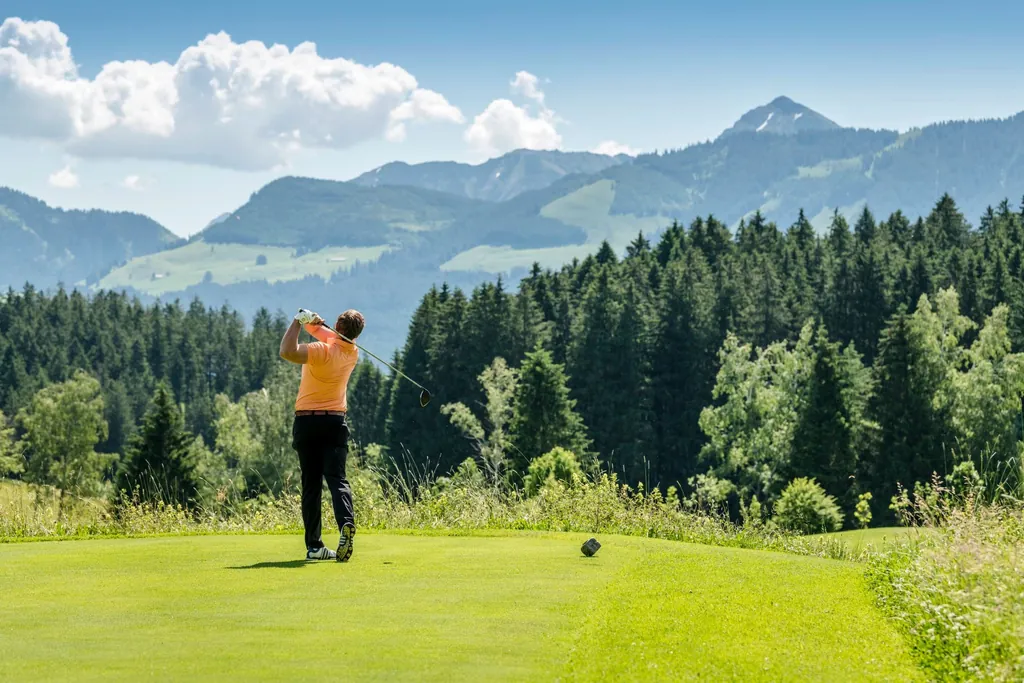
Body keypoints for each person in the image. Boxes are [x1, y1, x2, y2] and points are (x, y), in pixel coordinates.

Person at [279, 307, 364, 562]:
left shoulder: (319, 351)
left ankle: (315, 546)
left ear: (339, 328)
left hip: (307, 422)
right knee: (337, 479)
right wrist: (314, 324)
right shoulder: (352, 353)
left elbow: (287, 351)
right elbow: (330, 337)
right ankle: (345, 524)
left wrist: (297, 320)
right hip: (335, 422)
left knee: (312, 485)